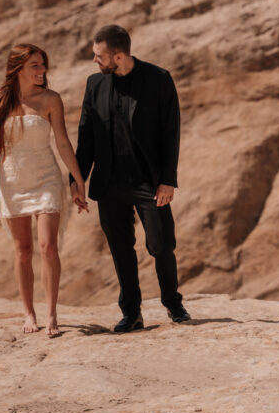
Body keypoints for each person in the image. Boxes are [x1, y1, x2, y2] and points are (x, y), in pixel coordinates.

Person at [71, 24, 190, 332]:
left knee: (161, 244)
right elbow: (86, 138)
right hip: (109, 184)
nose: (95, 61)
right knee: (121, 248)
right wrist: (77, 180)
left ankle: (173, 305)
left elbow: (170, 132)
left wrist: (168, 179)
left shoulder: (158, 79)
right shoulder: (95, 84)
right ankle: (131, 313)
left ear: (119, 56)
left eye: (99, 56)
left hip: (148, 183)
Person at [0, 42, 87, 336]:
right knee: (23, 251)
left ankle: (51, 314)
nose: (42, 71)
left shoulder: (51, 99)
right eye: (36, 66)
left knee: (48, 248)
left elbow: (63, 142)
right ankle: (29, 313)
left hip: (47, 180)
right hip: (12, 182)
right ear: (18, 69)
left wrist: (77, 180)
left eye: (43, 65)